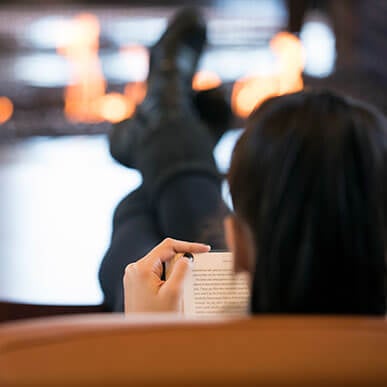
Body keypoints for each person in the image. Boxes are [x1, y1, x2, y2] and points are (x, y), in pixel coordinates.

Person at [99, 8, 387, 315]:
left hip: (212, 320)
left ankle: (165, 118)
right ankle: (166, 123)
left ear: (233, 243)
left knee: (139, 246)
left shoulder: (181, 352)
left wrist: (148, 326)